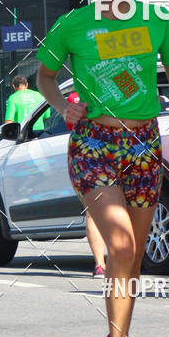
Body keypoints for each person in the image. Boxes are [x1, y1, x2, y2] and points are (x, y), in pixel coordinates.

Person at [37, 0, 169, 337]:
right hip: (94, 144)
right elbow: (44, 75)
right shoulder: (72, 24)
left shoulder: (157, 21)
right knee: (120, 247)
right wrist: (61, 104)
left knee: (133, 258)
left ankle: (115, 336)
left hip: (144, 144)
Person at [67, 90, 107, 277]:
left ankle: (100, 264)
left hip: (87, 153)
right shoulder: (112, 86)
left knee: (93, 212)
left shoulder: (75, 96)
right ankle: (122, 262)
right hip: (119, 147)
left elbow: (70, 122)